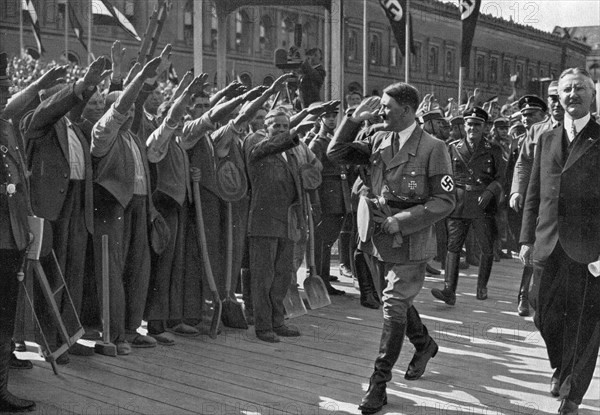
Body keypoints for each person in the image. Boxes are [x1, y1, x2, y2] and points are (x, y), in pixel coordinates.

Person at [328, 84, 455, 414]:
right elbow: (335, 153)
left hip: (410, 237)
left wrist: (403, 219)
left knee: (395, 302)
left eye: (386, 107)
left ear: (408, 110)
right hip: (377, 234)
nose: (380, 111)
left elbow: (444, 200)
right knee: (394, 299)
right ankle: (424, 343)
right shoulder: (377, 138)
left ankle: (378, 382)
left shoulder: (433, 147)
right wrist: (353, 120)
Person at [519, 67, 600, 415]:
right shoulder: (547, 138)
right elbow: (534, 194)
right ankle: (561, 365)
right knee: (543, 314)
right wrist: (525, 239)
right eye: (566, 90)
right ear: (559, 97)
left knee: (585, 321)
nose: (572, 96)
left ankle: (572, 394)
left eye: (580, 89)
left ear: (593, 96)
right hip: (547, 242)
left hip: (589, 248)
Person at [21, 58, 111, 363]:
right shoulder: (37, 121)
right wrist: (76, 87)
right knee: (52, 272)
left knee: (73, 270)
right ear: (48, 98)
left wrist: (86, 89)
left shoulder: (76, 127)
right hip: (51, 206)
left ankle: (68, 334)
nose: (69, 101)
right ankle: (50, 341)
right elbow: (50, 110)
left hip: (75, 202)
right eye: (61, 96)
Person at [90, 57, 162, 355]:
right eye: (125, 109)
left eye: (134, 109)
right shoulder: (102, 134)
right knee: (113, 272)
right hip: (112, 207)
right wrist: (140, 80)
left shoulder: (133, 137)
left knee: (138, 269)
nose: (129, 114)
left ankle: (131, 330)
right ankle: (114, 335)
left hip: (138, 206)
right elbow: (117, 112)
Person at [431, 107, 505, 305]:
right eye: (469, 124)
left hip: (483, 205)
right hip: (459, 204)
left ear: (484, 127)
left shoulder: (493, 149)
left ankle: (481, 286)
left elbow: (501, 178)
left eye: (477, 125)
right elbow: (445, 176)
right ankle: (449, 290)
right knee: (453, 246)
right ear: (464, 126)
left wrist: (490, 192)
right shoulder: (452, 147)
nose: (472, 128)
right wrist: (446, 197)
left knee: (486, 247)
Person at [244, 104, 305, 343]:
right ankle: (263, 325)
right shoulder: (257, 146)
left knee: (282, 276)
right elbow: (270, 145)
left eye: (285, 126)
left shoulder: (289, 154)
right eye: (275, 126)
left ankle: (278, 321)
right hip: (263, 221)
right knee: (263, 276)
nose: (281, 130)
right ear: (265, 127)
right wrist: (291, 135)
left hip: (286, 221)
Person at [0, 51, 36, 412]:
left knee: (4, 315)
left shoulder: (9, 129)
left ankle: (2, 390)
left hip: (9, 235)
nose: (5, 99)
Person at [510, 86, 564, 316]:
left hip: (565, 202)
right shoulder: (537, 131)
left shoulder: (579, 130)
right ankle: (525, 295)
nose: (556, 104)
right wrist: (517, 191)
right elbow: (523, 163)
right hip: (539, 199)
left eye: (558, 99)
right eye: (552, 99)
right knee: (532, 246)